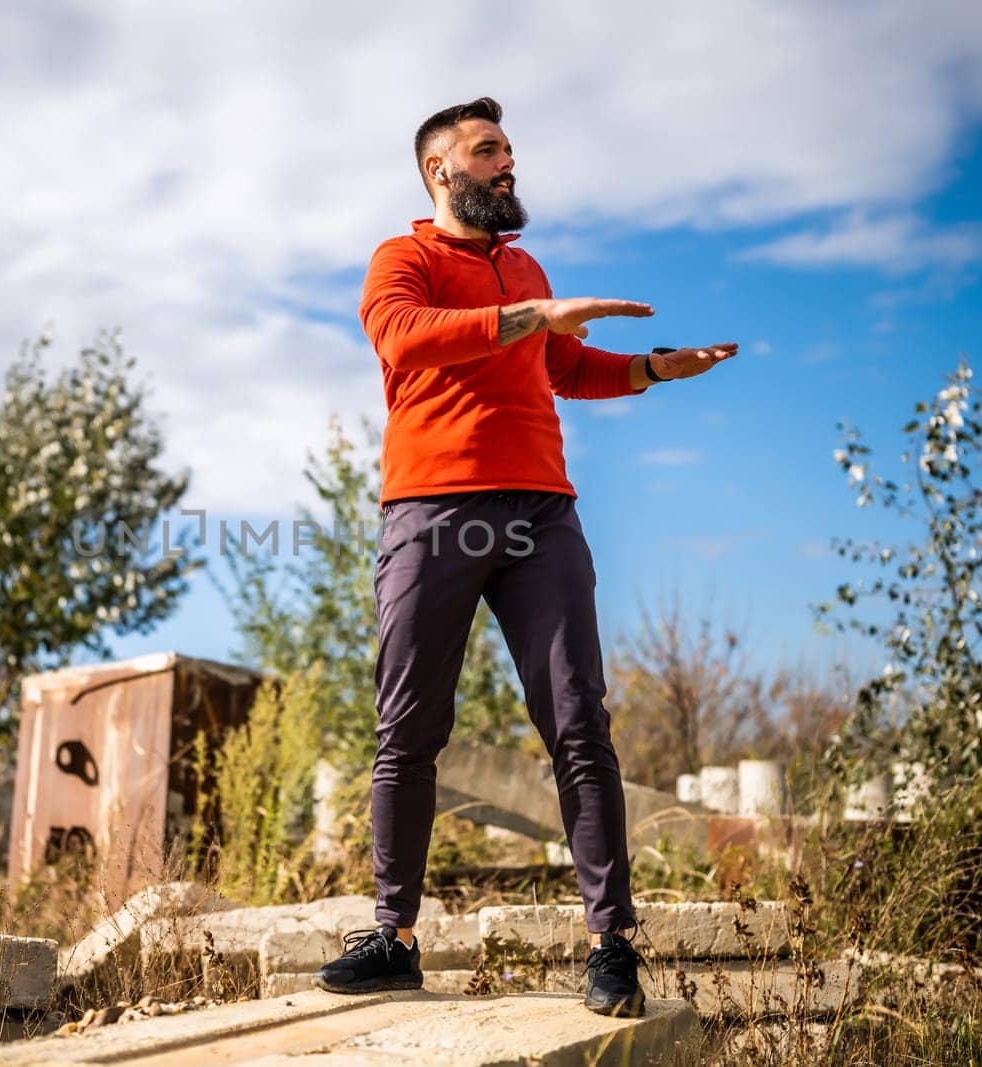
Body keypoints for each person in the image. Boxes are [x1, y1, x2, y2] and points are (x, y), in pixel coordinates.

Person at [312, 97, 736, 1017]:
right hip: (433, 512)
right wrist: (534, 311)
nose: (508, 164)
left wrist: (656, 368)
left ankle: (611, 944)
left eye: (510, 150)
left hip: (543, 513)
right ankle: (394, 936)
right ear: (441, 171)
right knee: (409, 729)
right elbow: (406, 338)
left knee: (580, 721)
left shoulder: (526, 267)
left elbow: (564, 368)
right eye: (488, 151)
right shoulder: (406, 259)